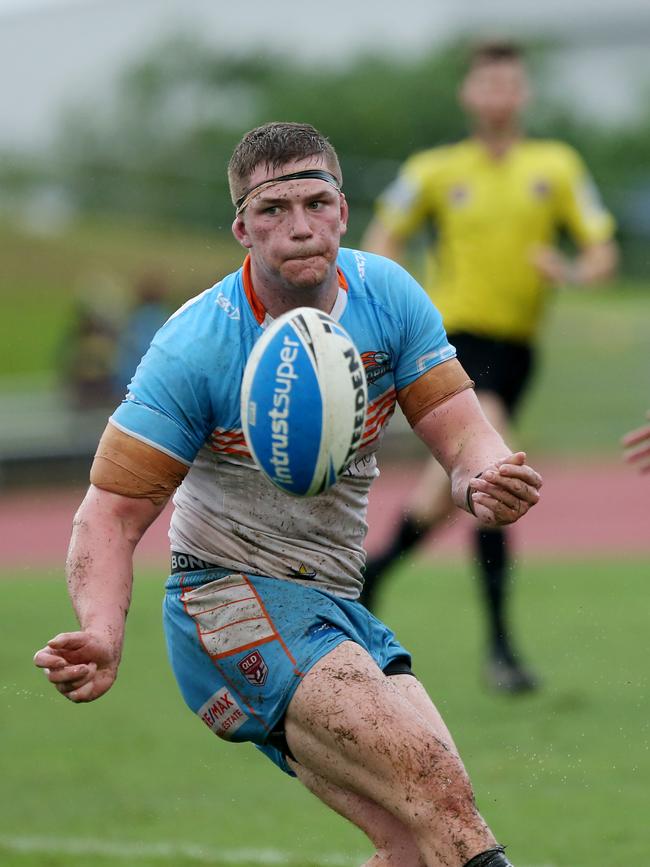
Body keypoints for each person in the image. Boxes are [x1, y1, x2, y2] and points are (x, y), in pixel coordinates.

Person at [34, 121, 543, 867]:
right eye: (273, 209)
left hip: (336, 605)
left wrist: (486, 478)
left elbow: (463, 434)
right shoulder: (196, 345)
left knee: (419, 841)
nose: (299, 226)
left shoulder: (388, 297)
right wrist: (102, 630)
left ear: (343, 210)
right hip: (227, 604)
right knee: (443, 802)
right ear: (243, 226)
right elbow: (111, 509)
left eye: (316, 201)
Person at [360, 41, 618, 693]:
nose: (499, 95)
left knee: (442, 494)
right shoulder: (434, 169)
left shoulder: (555, 164)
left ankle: (371, 577)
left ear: (523, 94)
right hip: (451, 343)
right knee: (493, 471)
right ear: (469, 95)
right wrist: (396, 296)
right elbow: (380, 237)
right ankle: (501, 651)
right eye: (488, 84)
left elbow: (601, 251)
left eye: (510, 84)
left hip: (518, 350)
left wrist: (575, 269)